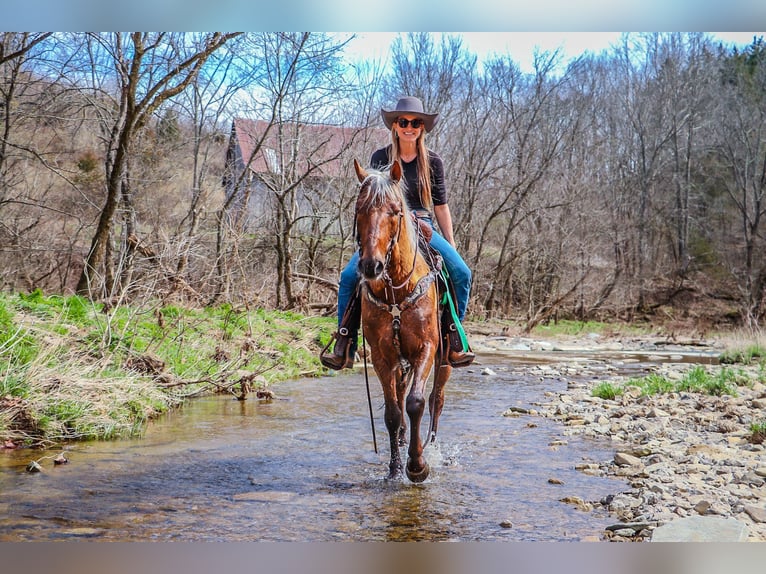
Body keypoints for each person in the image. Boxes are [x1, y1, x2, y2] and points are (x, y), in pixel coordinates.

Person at [321, 96, 474, 370]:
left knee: (462, 273)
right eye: (403, 122)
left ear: (422, 128)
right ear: (394, 125)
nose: (409, 127)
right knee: (347, 277)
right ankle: (345, 342)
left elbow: (440, 205)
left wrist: (450, 241)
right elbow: (373, 200)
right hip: (386, 225)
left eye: (415, 123)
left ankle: (454, 338)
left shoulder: (433, 162)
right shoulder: (380, 158)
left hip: (423, 225)